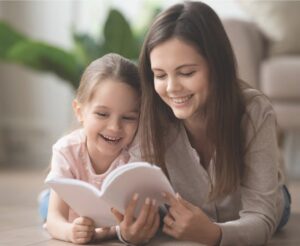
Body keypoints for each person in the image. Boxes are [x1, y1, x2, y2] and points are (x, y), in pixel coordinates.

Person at [138, 1, 291, 245]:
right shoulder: (149, 113)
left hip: (256, 203)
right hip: (192, 213)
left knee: (276, 206)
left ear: (216, 66)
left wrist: (212, 234)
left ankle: (274, 169)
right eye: (160, 75)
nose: (171, 88)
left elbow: (261, 218)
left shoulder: (253, 111)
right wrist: (129, 231)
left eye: (186, 73)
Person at [45, 53, 160, 244]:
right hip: (74, 216)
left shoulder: (137, 157)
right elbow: (54, 220)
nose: (114, 127)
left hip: (105, 226)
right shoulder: (66, 150)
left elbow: (136, 222)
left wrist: (116, 233)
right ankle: (46, 196)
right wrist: (69, 231)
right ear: (80, 111)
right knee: (45, 205)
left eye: (128, 117)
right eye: (102, 114)